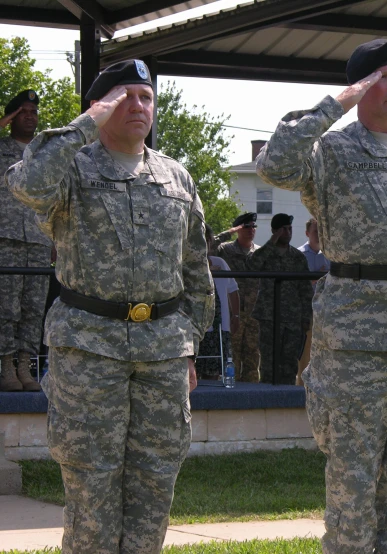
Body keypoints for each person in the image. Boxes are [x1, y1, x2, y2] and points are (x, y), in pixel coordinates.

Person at [256, 37, 387, 553]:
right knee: (354, 483)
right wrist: (335, 105)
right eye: (384, 77)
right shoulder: (329, 152)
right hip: (355, 340)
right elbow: (274, 164)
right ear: (360, 88)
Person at [6, 59, 215, 554]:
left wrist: (189, 346)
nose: (139, 106)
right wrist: (83, 126)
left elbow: (196, 271)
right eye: (125, 96)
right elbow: (26, 185)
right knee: (91, 488)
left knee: (155, 483)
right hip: (88, 351)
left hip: (162, 353)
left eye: (146, 97)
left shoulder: (176, 177)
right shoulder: (70, 168)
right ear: (99, 108)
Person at [0, 89, 51, 392]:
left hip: (39, 238)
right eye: (23, 111)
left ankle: (25, 367)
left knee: (33, 308)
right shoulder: (2, 147)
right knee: (6, 306)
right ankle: (6, 367)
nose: (30, 117)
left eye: (33, 112)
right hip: (5, 238)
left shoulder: (43, 152)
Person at [246, 213, 313, 385]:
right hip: (269, 317)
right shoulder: (266, 254)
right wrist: (272, 241)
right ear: (275, 231)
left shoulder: (298, 258)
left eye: (290, 229)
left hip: (292, 319)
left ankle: (286, 401)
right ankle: (268, 400)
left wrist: (306, 317)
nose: (288, 233)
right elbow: (252, 267)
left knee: (289, 363)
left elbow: (305, 290)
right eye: (284, 229)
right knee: (268, 362)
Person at [216, 212, 261, 382]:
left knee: (252, 357)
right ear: (238, 229)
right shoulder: (225, 250)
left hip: (253, 314)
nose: (251, 230)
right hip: (231, 312)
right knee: (231, 357)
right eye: (246, 227)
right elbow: (208, 245)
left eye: (253, 226)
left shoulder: (259, 252)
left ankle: (253, 399)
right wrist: (229, 232)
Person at [197, 224, 240, 379]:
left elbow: (233, 290)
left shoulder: (220, 263)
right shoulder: (188, 264)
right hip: (197, 328)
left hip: (221, 327)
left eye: (207, 240)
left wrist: (236, 316)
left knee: (216, 371)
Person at [297, 217, 329, 384]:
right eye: (315, 231)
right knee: (306, 353)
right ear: (307, 233)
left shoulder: (331, 256)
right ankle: (300, 389)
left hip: (327, 311)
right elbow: (295, 285)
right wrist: (315, 278)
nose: (319, 235)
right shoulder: (299, 255)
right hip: (307, 311)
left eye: (321, 230)